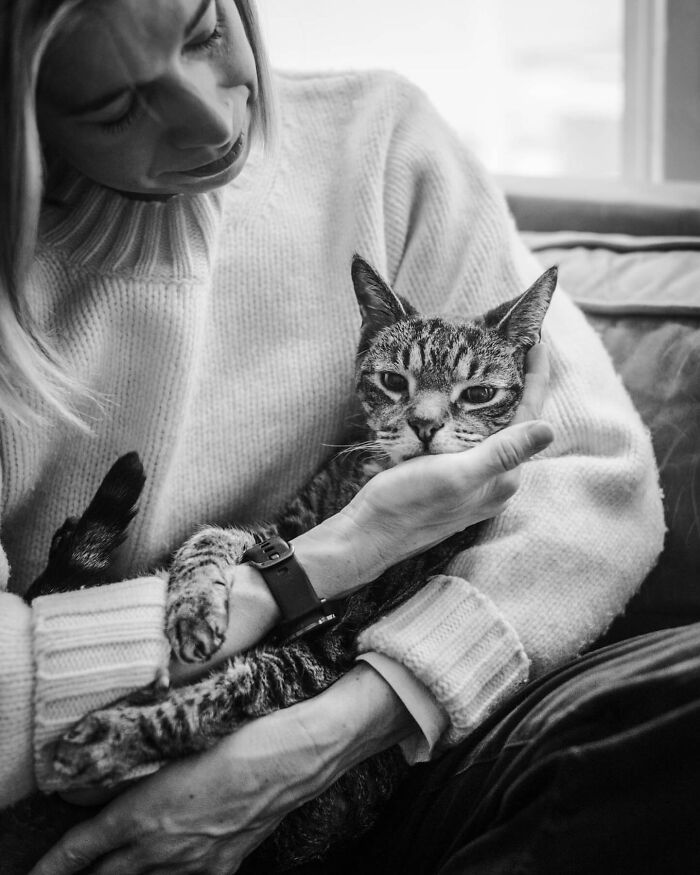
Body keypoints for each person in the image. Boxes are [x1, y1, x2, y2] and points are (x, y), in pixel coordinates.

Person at [0, 0, 664, 872]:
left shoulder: (381, 142)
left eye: (206, 30)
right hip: (83, 765)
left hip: (401, 734)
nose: (215, 119)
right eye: (118, 105)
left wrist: (339, 729)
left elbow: (600, 486)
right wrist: (296, 576)